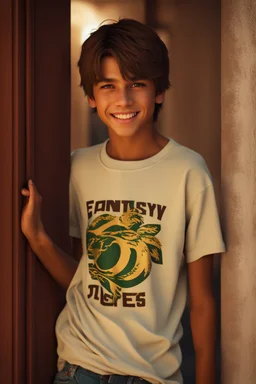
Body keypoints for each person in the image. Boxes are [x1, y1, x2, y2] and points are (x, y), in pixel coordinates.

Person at [21, 18, 226, 384]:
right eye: (108, 86)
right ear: (91, 96)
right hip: (77, 370)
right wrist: (38, 239)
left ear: (159, 91)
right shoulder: (77, 167)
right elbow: (86, 279)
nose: (124, 100)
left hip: (152, 376)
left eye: (137, 85)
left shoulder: (189, 172)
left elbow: (202, 304)